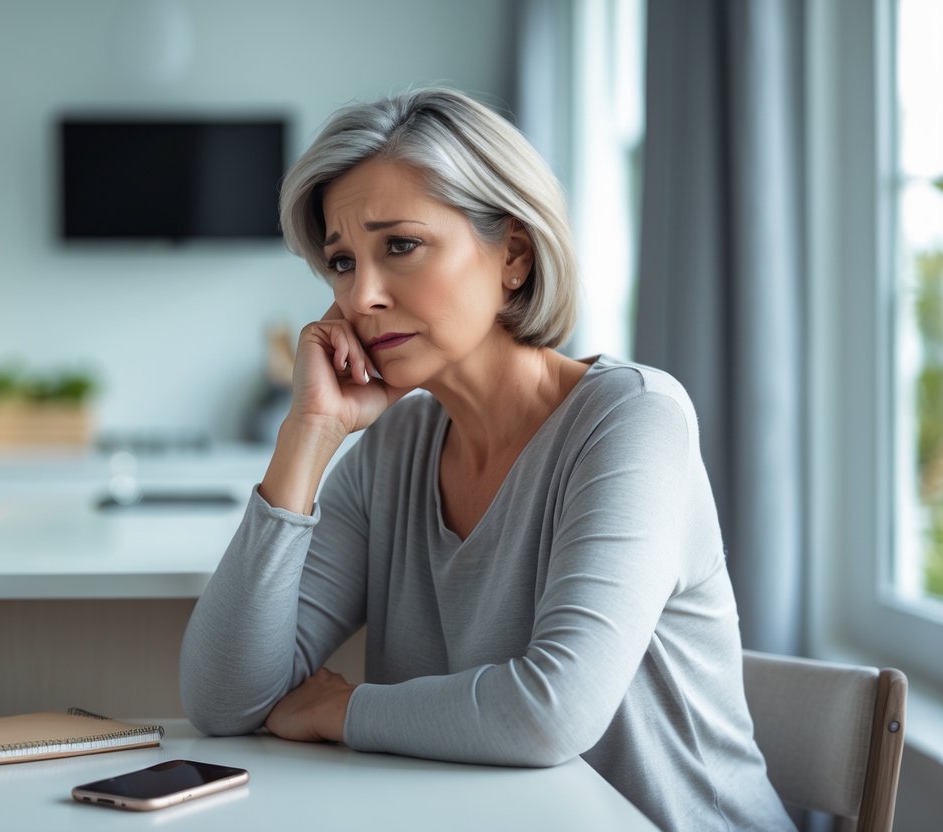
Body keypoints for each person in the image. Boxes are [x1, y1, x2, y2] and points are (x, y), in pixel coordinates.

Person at [179, 87, 793, 831]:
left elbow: (548, 713)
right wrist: (308, 432)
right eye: (341, 261)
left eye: (399, 245)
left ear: (513, 254)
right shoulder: (395, 450)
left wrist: (347, 711)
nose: (361, 295)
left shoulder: (632, 420)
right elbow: (223, 699)